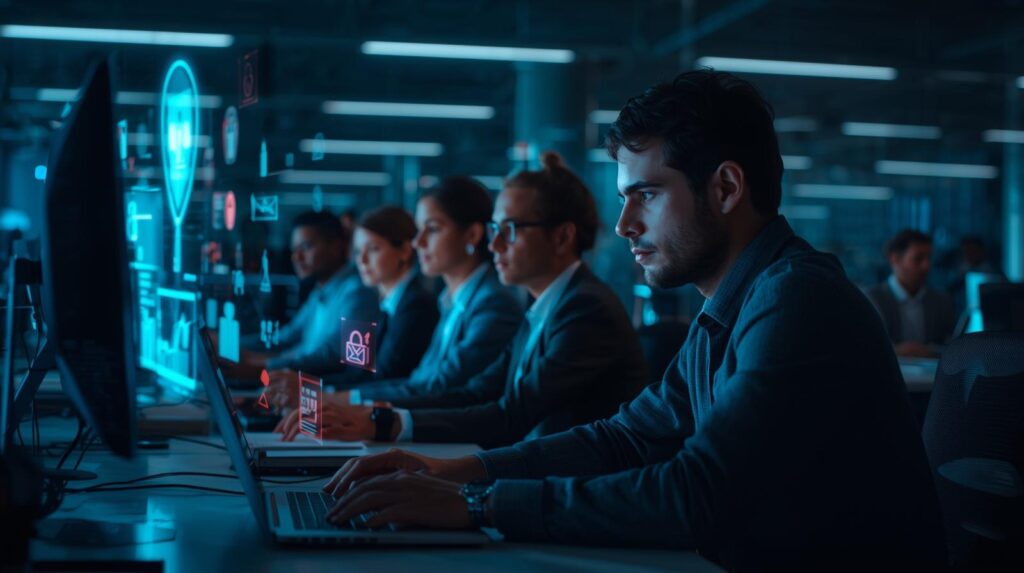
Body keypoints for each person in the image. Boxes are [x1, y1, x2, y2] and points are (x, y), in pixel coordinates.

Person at [313, 71, 946, 571]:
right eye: (623, 199)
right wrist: (455, 472)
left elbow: (698, 496)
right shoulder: (731, 308)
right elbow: (622, 439)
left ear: (725, 189)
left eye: (645, 195)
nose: (623, 228)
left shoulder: (798, 300)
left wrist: (476, 504)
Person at [277, 152, 648, 449]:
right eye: (494, 230)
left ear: (562, 237)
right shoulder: (544, 307)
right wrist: (372, 411)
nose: (495, 244)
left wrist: (382, 420)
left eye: (511, 230)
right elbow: (474, 391)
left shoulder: (584, 309)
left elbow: (511, 415)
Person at [266, 177, 522, 408]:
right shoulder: (452, 302)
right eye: (357, 252)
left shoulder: (487, 304)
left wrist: (322, 395)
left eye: (431, 229)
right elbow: (415, 379)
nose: (418, 242)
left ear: (473, 235)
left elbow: (438, 386)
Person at [224, 211, 377, 378]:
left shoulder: (358, 292)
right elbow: (286, 337)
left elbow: (335, 355)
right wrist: (228, 343)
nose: (296, 257)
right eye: (294, 249)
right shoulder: (321, 290)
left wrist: (262, 366)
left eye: (306, 247)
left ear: (336, 247)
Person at [865, 229, 955, 358]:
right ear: (895, 259)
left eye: (929, 258)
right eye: (918, 259)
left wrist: (927, 351)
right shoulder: (872, 299)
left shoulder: (942, 301)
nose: (926, 266)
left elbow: (952, 347)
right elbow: (869, 347)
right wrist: (898, 350)